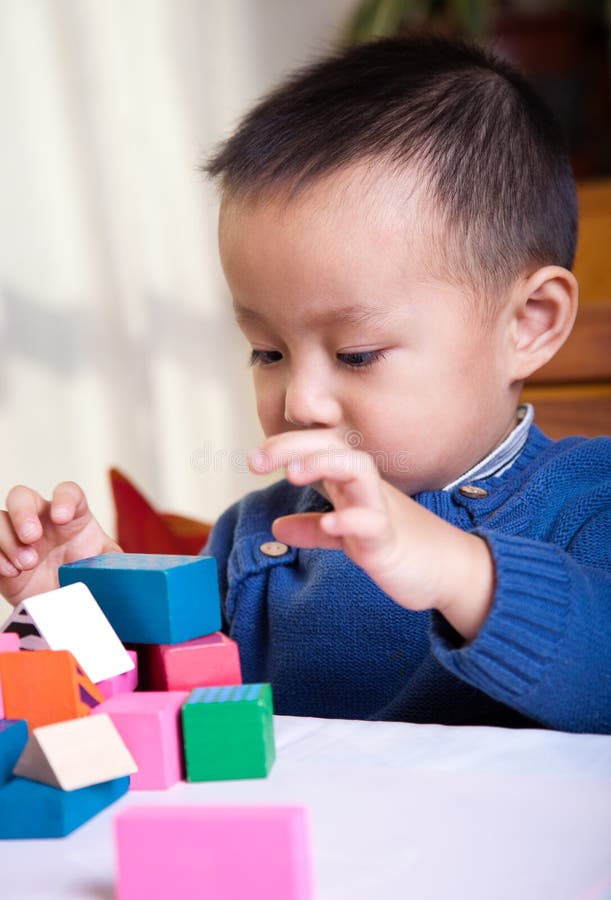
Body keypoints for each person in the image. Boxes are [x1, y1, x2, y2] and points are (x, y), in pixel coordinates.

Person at [1, 37, 609, 733]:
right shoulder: (257, 538)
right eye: (266, 352)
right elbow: (171, 720)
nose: (298, 402)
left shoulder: (589, 505)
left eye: (356, 354)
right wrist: (70, 610)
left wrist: (459, 571)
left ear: (526, 324)